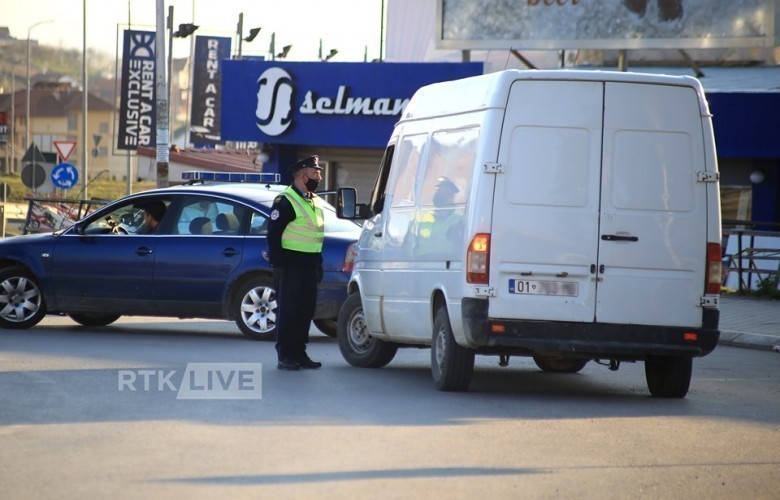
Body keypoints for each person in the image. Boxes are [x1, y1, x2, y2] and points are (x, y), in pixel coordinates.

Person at [267, 155, 325, 371]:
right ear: (302, 176)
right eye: (315, 173)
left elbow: (315, 234)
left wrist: (318, 264)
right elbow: (273, 235)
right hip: (290, 266)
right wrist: (279, 266)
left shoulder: (313, 200)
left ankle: (300, 353)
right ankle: (285, 355)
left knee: (305, 311)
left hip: (309, 266)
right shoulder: (286, 200)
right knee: (289, 311)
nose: (319, 176)